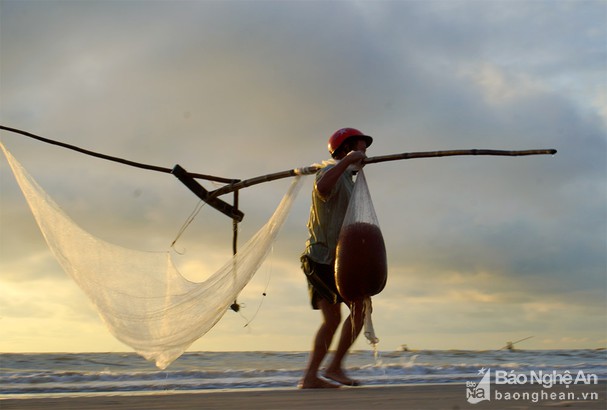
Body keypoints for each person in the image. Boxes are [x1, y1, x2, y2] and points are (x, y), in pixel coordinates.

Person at [299, 127, 373, 389]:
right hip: (320, 258)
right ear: (344, 150)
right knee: (332, 319)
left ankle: (331, 368)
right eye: (359, 149)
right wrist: (346, 162)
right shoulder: (329, 171)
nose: (364, 154)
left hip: (340, 260)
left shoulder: (350, 181)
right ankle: (313, 375)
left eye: (364, 150)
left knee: (359, 310)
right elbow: (322, 186)